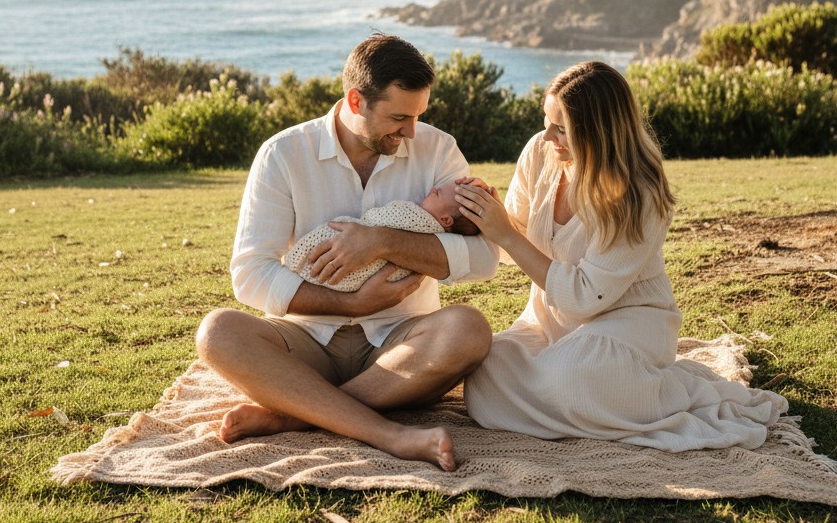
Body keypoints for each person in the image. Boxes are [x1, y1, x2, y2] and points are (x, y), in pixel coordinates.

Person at [195, 35, 497, 471]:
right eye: (398, 117)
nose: (411, 131)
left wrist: (382, 242)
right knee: (217, 332)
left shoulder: (439, 149)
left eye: (417, 116)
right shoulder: (283, 154)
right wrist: (348, 303)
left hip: (402, 344)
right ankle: (389, 434)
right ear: (356, 100)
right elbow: (250, 273)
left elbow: (485, 256)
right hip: (305, 343)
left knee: (469, 329)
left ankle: (293, 414)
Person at [455, 60, 788, 450]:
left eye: (561, 129)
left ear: (599, 133)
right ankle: (578, 398)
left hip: (626, 325)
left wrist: (506, 235)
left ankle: (670, 389)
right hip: (550, 321)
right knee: (483, 377)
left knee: (575, 377)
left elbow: (583, 297)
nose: (547, 136)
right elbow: (521, 235)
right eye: (546, 121)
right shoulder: (540, 154)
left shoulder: (639, 194)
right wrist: (487, 216)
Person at [284, 178, 485, 292]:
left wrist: (377, 238)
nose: (433, 188)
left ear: (446, 220)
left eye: (438, 193)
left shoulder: (415, 217)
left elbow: (379, 218)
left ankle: (297, 263)